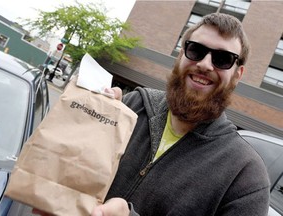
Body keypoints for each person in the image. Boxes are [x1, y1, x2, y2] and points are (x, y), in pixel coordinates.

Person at [33, 12, 270, 216]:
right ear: (180, 56)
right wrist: (91, 113)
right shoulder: (132, 105)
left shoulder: (245, 175)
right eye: (196, 50)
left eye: (223, 59)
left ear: (238, 75)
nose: (206, 65)